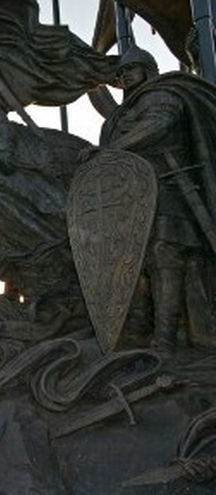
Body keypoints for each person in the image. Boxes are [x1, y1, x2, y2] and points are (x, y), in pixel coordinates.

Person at [84, 45, 216, 352]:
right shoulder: (122, 114)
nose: (125, 77)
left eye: (130, 69)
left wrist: (111, 150)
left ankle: (166, 338)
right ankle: (135, 329)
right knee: (133, 260)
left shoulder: (161, 94)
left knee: (164, 256)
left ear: (148, 69)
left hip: (169, 188)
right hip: (131, 196)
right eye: (121, 73)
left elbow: (158, 125)